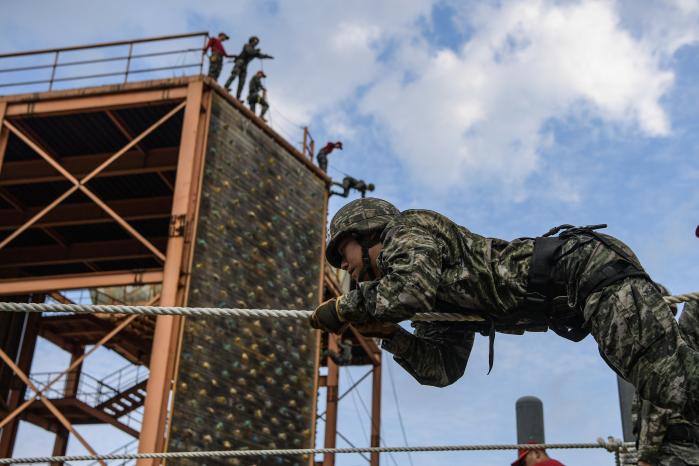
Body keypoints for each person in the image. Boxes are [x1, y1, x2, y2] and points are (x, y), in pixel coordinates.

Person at [308, 198, 699, 421]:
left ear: (364, 232)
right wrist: (392, 337)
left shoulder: (408, 229)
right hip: (582, 295)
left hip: (586, 270)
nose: (343, 266)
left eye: (342, 252)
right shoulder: (432, 298)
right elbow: (443, 369)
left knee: (672, 386)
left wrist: (344, 308)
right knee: (681, 382)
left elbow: (408, 291)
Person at [634, 299, 699, 466]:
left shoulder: (663, 352)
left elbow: (658, 406)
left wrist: (645, 457)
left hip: (672, 454)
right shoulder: (685, 346)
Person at [224, 36, 273, 100]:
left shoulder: (255, 51)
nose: (256, 43)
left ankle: (238, 97)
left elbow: (260, 56)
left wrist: (268, 57)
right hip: (240, 62)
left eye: (257, 42)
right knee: (234, 75)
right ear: (251, 41)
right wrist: (256, 52)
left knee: (242, 82)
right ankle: (226, 87)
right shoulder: (247, 45)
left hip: (245, 66)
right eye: (255, 41)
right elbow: (249, 51)